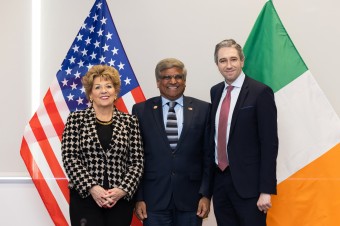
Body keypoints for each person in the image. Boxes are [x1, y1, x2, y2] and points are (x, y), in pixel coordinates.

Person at [132, 58, 213, 226]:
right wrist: (138, 198)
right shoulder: (141, 110)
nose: (173, 81)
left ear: (184, 80)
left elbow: (208, 155)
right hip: (153, 200)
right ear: (158, 82)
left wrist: (206, 194)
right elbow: (135, 158)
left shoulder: (204, 109)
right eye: (167, 77)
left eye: (178, 76)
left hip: (192, 200)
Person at [61, 64, 144, 226]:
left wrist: (122, 190)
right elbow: (70, 158)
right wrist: (93, 187)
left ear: (115, 92)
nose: (104, 91)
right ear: (90, 94)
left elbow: (137, 162)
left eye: (108, 86)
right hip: (85, 198)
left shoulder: (130, 122)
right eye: (97, 87)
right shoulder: (75, 119)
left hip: (119, 200)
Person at [210, 39, 278, 226]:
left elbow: (269, 143)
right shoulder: (215, 92)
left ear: (242, 61)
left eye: (233, 59)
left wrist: (266, 190)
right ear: (217, 64)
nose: (229, 65)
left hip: (250, 188)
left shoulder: (260, 92)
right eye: (223, 60)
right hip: (220, 183)